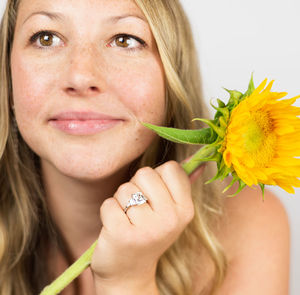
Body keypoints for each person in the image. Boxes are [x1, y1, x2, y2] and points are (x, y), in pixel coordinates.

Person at [0, 0, 290, 294]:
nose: (80, 76)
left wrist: (128, 280)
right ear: (8, 74)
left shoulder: (246, 227)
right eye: (46, 38)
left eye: (125, 40)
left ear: (172, 75)